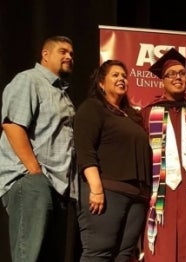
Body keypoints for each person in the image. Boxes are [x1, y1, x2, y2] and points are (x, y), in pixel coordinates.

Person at [0, 35, 77, 262]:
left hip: (59, 187)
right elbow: (12, 125)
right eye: (63, 51)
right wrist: (34, 171)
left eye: (71, 54)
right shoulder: (29, 80)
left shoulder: (63, 95)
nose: (69, 57)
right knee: (29, 257)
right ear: (45, 54)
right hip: (34, 180)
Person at [73, 59, 152, 261]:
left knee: (124, 255)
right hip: (107, 191)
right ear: (101, 83)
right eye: (115, 75)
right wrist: (96, 188)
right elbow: (85, 149)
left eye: (124, 76)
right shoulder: (93, 107)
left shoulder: (132, 116)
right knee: (99, 252)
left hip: (137, 195)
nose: (121, 79)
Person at [141, 48, 186, 261]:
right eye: (172, 74)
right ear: (162, 80)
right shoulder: (148, 113)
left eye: (182, 74)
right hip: (160, 191)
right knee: (162, 247)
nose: (178, 78)